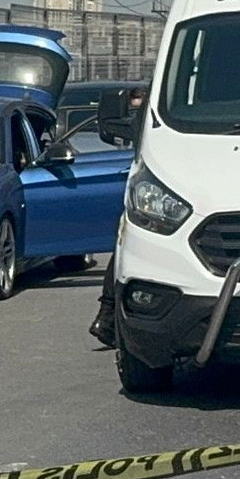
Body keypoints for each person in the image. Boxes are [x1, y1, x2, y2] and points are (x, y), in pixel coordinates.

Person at [89, 85, 148, 348]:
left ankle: (109, 316)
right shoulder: (155, 116)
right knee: (127, 246)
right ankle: (109, 317)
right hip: (152, 189)